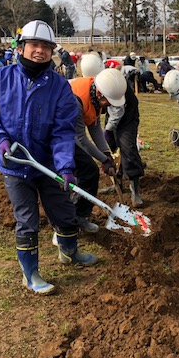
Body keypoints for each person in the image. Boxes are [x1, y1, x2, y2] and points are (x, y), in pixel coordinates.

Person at [0, 20, 98, 296]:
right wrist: (0, 139)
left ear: (52, 51)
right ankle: (31, 275)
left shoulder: (60, 87)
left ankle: (69, 253)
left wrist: (65, 166)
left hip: (49, 163)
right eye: (34, 45)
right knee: (27, 220)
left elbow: (63, 131)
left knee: (64, 212)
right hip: (15, 165)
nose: (39, 51)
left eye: (45, 47)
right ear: (21, 48)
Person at [67, 57, 120, 229]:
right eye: (108, 102)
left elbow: (95, 127)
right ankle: (73, 219)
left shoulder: (95, 91)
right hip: (55, 135)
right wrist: (103, 160)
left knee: (87, 171)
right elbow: (81, 138)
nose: (109, 107)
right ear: (99, 94)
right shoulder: (76, 99)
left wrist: (106, 154)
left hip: (69, 135)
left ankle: (79, 215)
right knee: (86, 171)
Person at [102, 68, 146, 207]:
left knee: (128, 150)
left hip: (128, 118)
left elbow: (117, 113)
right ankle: (118, 183)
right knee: (114, 151)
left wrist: (108, 129)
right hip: (112, 115)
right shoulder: (102, 81)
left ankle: (135, 191)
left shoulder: (118, 88)